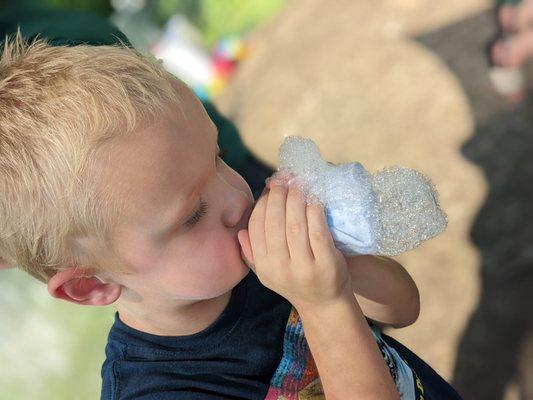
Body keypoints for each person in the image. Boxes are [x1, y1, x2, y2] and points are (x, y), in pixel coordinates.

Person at [0, 29, 463, 400]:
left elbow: (403, 307)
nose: (236, 197)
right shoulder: (161, 390)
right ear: (92, 284)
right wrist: (323, 305)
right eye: (193, 212)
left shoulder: (241, 260)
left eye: (219, 158)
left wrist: (338, 265)